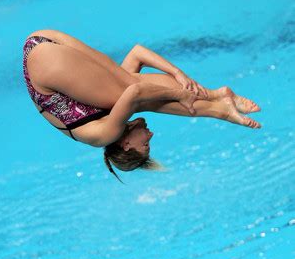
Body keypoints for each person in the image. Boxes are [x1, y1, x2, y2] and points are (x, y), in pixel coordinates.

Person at [23, 29, 261, 176]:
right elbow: (137, 53)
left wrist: (180, 93)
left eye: (145, 146)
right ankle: (219, 99)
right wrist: (179, 74)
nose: (150, 137)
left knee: (136, 97)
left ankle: (220, 106)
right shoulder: (105, 105)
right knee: (133, 91)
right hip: (44, 41)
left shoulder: (103, 135)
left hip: (45, 60)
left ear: (126, 145)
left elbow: (136, 92)